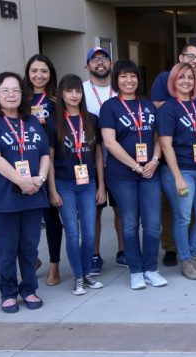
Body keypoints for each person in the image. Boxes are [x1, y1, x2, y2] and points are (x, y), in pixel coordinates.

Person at [0, 72, 51, 313]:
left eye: (16, 90)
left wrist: (38, 180)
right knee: (7, 250)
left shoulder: (31, 122)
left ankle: (29, 289)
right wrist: (21, 181)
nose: (11, 95)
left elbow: (45, 154)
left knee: (29, 248)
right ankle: (8, 293)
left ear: (23, 94)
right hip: (3, 198)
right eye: (5, 90)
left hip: (32, 196)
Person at [100, 60, 166, 290]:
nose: (129, 80)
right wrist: (136, 166)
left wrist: (155, 160)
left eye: (133, 76)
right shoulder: (109, 107)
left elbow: (158, 137)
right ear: (116, 80)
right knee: (129, 223)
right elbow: (109, 142)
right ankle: (136, 270)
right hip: (122, 174)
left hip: (150, 172)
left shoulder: (148, 106)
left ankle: (151, 268)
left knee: (152, 223)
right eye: (123, 76)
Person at [158, 63, 196, 280]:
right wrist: (177, 178)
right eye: (181, 77)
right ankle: (185, 259)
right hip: (180, 171)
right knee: (183, 217)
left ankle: (191, 254)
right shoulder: (168, 108)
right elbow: (166, 146)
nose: (186, 81)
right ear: (173, 81)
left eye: (190, 77)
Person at [46, 74, 106, 296]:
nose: (74, 95)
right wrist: (52, 189)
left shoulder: (91, 119)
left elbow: (99, 155)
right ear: (62, 93)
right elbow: (49, 158)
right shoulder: (53, 121)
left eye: (77, 91)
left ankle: (87, 273)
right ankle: (78, 277)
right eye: (69, 91)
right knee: (72, 232)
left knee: (89, 233)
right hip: (64, 184)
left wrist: (101, 186)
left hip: (88, 183)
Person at [83, 46, 125, 274]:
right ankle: (94, 255)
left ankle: (123, 251)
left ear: (111, 64)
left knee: (122, 209)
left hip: (120, 162)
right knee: (94, 211)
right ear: (87, 65)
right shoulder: (79, 91)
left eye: (105, 58)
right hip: (91, 163)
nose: (100, 63)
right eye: (95, 59)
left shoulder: (121, 89)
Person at [23, 54, 63, 286]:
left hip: (53, 165)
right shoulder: (20, 99)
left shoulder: (57, 100)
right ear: (28, 73)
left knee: (51, 217)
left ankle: (55, 265)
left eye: (44, 71)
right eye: (34, 70)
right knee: (27, 217)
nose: (39, 75)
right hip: (26, 165)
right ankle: (32, 259)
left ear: (51, 74)